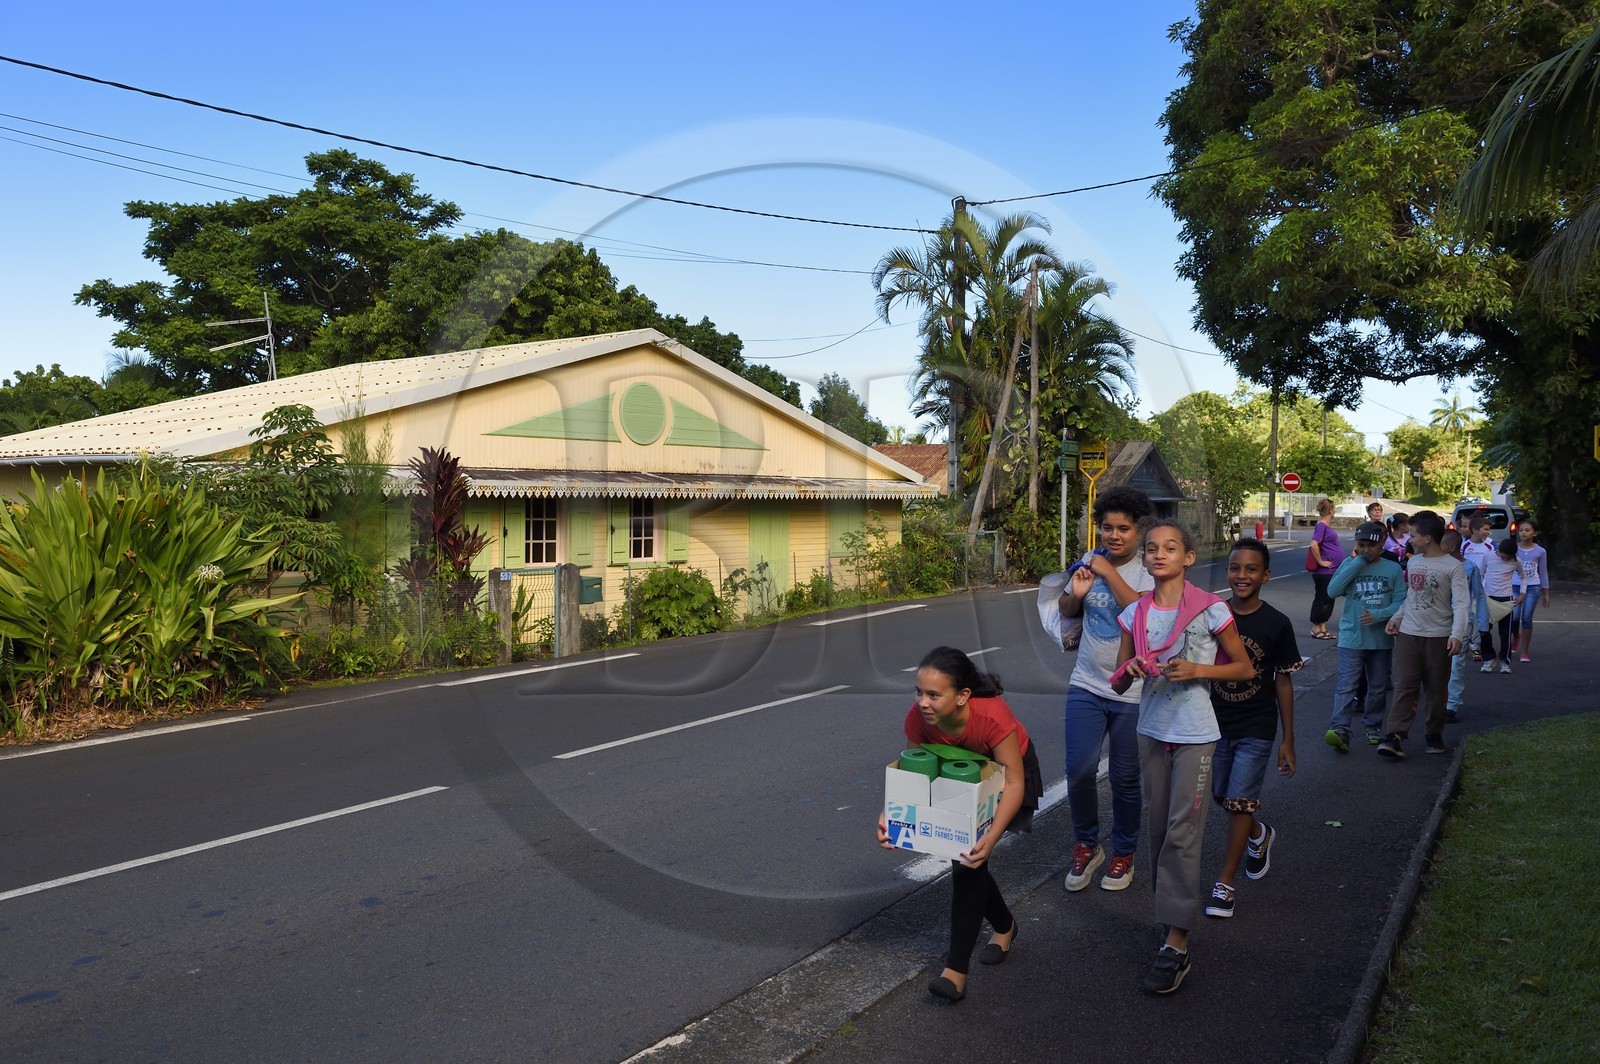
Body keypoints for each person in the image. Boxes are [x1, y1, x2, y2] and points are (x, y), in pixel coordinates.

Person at [1110, 520, 1254, 994]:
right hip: (1150, 731)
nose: (1158, 554)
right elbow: (1118, 679)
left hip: (1195, 734)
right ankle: (1170, 912)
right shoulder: (1135, 614)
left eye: (1170, 548)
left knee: (1182, 832)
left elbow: (1244, 668)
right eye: (1151, 548)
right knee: (1158, 830)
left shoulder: (1211, 610)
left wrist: (1199, 669)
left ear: (1188, 557)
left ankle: (1177, 941)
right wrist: (1130, 669)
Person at [878, 646, 1042, 1003]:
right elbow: (913, 771)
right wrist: (889, 815)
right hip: (956, 772)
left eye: (934, 695)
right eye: (919, 692)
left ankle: (955, 972)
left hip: (1004, 772)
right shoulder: (918, 717)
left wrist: (993, 834)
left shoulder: (993, 716)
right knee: (968, 858)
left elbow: (1014, 782)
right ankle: (1005, 926)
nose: (923, 702)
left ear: (963, 696)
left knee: (970, 858)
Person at [1054, 486, 1154, 893]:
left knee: (1125, 778)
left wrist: (1108, 572)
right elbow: (1065, 610)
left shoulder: (1150, 570)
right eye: (1107, 528)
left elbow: (1143, 616)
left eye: (1124, 529)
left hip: (1132, 690)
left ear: (1138, 531)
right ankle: (1086, 845)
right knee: (1078, 771)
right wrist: (1074, 595)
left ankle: (1124, 852)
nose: (1114, 536)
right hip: (1086, 683)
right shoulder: (1086, 564)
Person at [1204, 539, 1301, 921]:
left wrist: (1287, 740)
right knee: (1222, 797)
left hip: (1257, 727)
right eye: (1234, 568)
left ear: (1265, 575)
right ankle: (1258, 834)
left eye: (1250, 569)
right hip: (1212, 725)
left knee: (1239, 800)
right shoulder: (1212, 614)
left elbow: (1282, 682)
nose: (1241, 575)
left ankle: (1225, 883)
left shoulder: (1276, 623)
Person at [1377, 511, 1471, 759]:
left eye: (1414, 534)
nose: (1410, 539)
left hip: (1439, 636)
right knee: (1404, 687)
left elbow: (1462, 604)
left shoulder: (1454, 567)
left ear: (1428, 538)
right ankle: (1395, 736)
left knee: (1436, 690)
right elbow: (1412, 596)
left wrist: (1457, 635)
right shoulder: (1415, 561)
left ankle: (1433, 733)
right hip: (1409, 633)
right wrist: (1397, 618)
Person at [1324, 521, 1406, 750]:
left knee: (1378, 686)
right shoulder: (1350, 564)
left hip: (1380, 640)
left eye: (1371, 545)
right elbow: (1332, 590)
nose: (1366, 550)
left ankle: (1373, 725)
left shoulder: (1392, 569)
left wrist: (1380, 614)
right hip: (1351, 638)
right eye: (1361, 545)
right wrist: (1357, 562)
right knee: (1347, 685)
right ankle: (1340, 728)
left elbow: (1401, 600)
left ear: (1382, 544)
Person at [1442, 529, 1484, 724]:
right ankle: (1438, 700)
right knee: (1438, 662)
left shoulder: (1471, 568)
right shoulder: (1438, 566)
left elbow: (1480, 596)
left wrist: (1482, 625)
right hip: (1440, 620)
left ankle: (1451, 704)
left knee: (1456, 663)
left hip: (1462, 622)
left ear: (1451, 547)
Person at [1478, 536, 1522, 673]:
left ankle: (1505, 661)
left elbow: (1524, 576)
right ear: (1499, 551)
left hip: (1506, 600)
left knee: (1505, 633)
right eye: (1504, 556)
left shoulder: (1515, 562)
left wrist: (1523, 593)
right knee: (1484, 630)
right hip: (1489, 598)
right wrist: (1479, 593)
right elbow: (1480, 574)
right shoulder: (1488, 557)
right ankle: (1488, 658)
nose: (1505, 559)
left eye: (1509, 557)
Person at [1510, 519, 1550, 662]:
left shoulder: (1540, 551)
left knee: (1526, 618)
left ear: (1534, 532)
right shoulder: (1513, 548)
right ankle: (1516, 637)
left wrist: (1546, 593)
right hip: (1515, 585)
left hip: (1532, 586)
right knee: (1514, 617)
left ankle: (1525, 651)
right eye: (1521, 530)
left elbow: (1543, 572)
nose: (1523, 533)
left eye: (1527, 530)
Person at [1308, 498, 1344, 640]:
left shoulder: (1326, 526)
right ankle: (1315, 627)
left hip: (1332, 570)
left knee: (1329, 599)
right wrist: (1321, 561)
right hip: (1324, 572)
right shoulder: (1322, 525)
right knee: (1322, 599)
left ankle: (1322, 627)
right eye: (1334, 509)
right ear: (1330, 510)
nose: (1335, 511)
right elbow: (1313, 544)